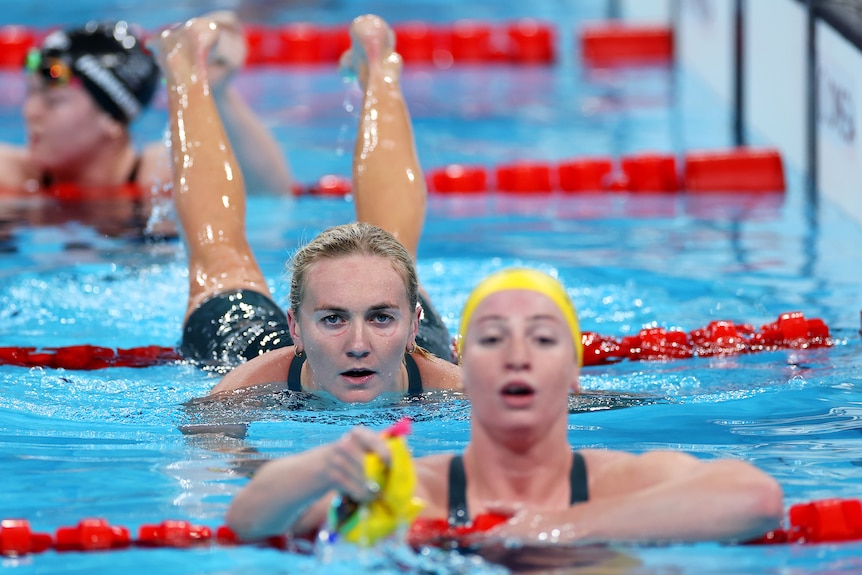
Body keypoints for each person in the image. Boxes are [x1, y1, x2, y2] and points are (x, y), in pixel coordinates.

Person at [224, 268, 785, 555]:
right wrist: (321, 466)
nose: (517, 357)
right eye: (494, 340)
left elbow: (755, 498)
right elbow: (250, 522)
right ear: (465, 373)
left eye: (542, 340)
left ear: (573, 375)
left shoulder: (622, 481)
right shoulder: (418, 491)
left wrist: (552, 528)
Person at [152, 13, 460, 403]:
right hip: (267, 349)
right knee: (391, 257)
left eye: (382, 317)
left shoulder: (451, 382)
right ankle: (187, 72)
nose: (358, 346)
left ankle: (190, 64)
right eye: (333, 319)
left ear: (414, 325)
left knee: (225, 259)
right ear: (294, 327)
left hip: (398, 356)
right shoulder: (247, 383)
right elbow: (208, 443)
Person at [0, 12, 293, 201]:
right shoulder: (14, 175)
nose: (30, 112)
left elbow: (269, 194)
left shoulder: (160, 177)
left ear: (113, 118)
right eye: (31, 95)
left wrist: (216, 94)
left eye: (53, 101)